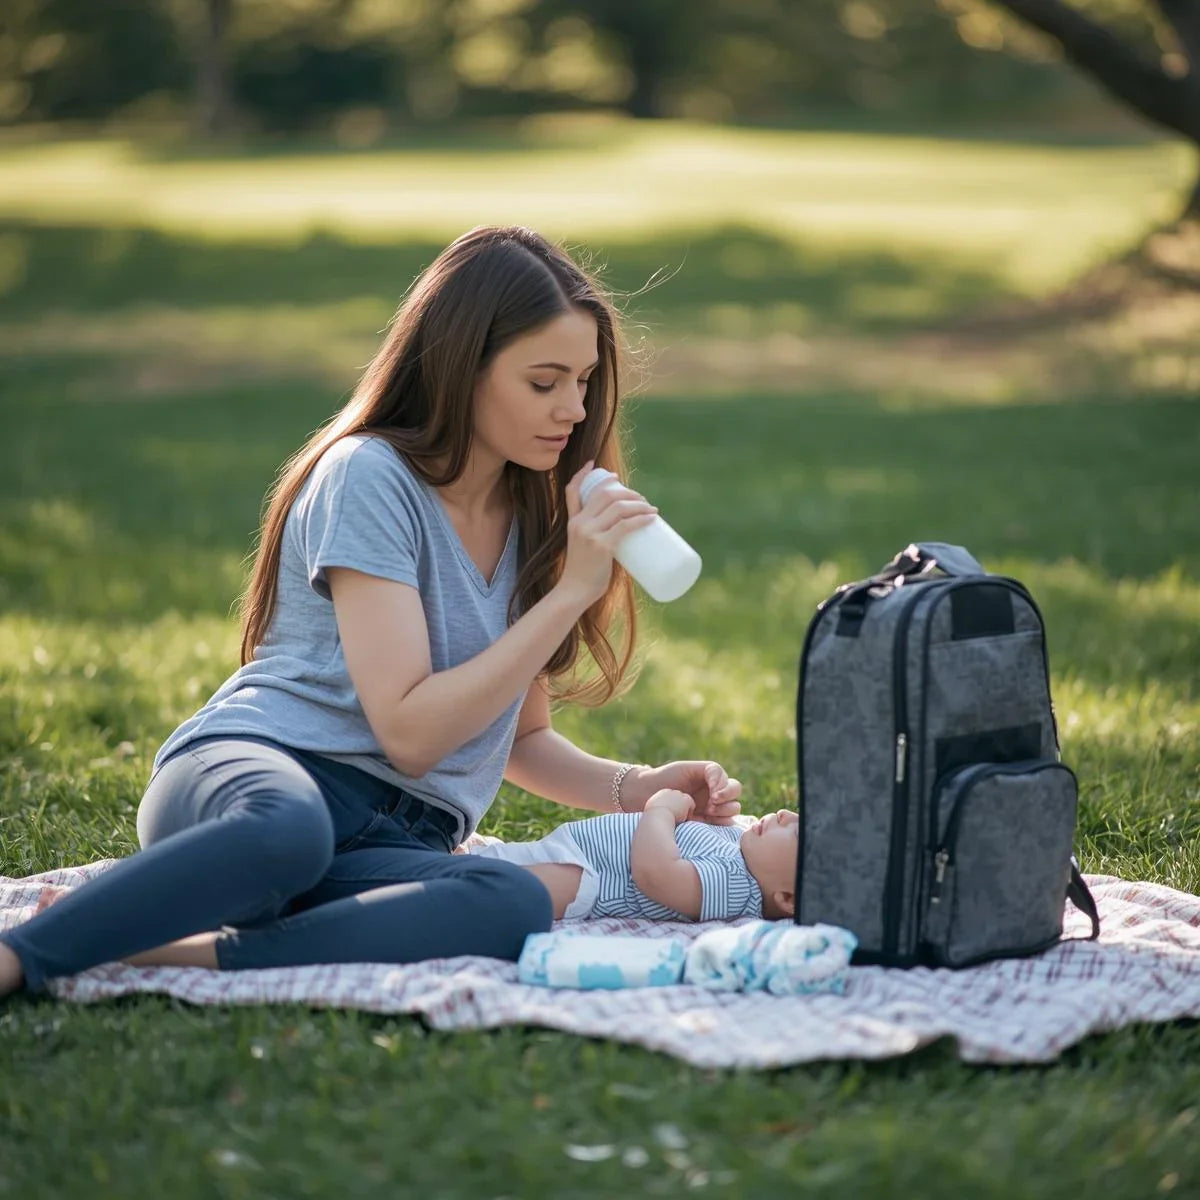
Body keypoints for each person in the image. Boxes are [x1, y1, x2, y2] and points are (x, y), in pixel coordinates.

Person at [0, 224, 743, 999]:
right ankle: (25, 953)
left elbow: (519, 739)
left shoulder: (537, 510)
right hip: (263, 778)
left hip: (394, 835)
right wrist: (567, 598)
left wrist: (640, 785)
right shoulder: (369, 477)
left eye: (585, 382)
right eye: (543, 381)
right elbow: (412, 733)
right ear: (463, 369)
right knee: (286, 834)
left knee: (510, 898)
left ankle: (173, 951)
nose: (572, 409)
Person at [460, 789, 797, 923]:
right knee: (495, 863)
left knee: (500, 888)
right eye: (798, 813)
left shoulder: (738, 885)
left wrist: (661, 811)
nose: (784, 813)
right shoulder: (745, 843)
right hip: (581, 851)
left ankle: (433, 884)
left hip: (588, 878)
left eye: (797, 832)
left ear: (788, 899)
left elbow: (656, 874)